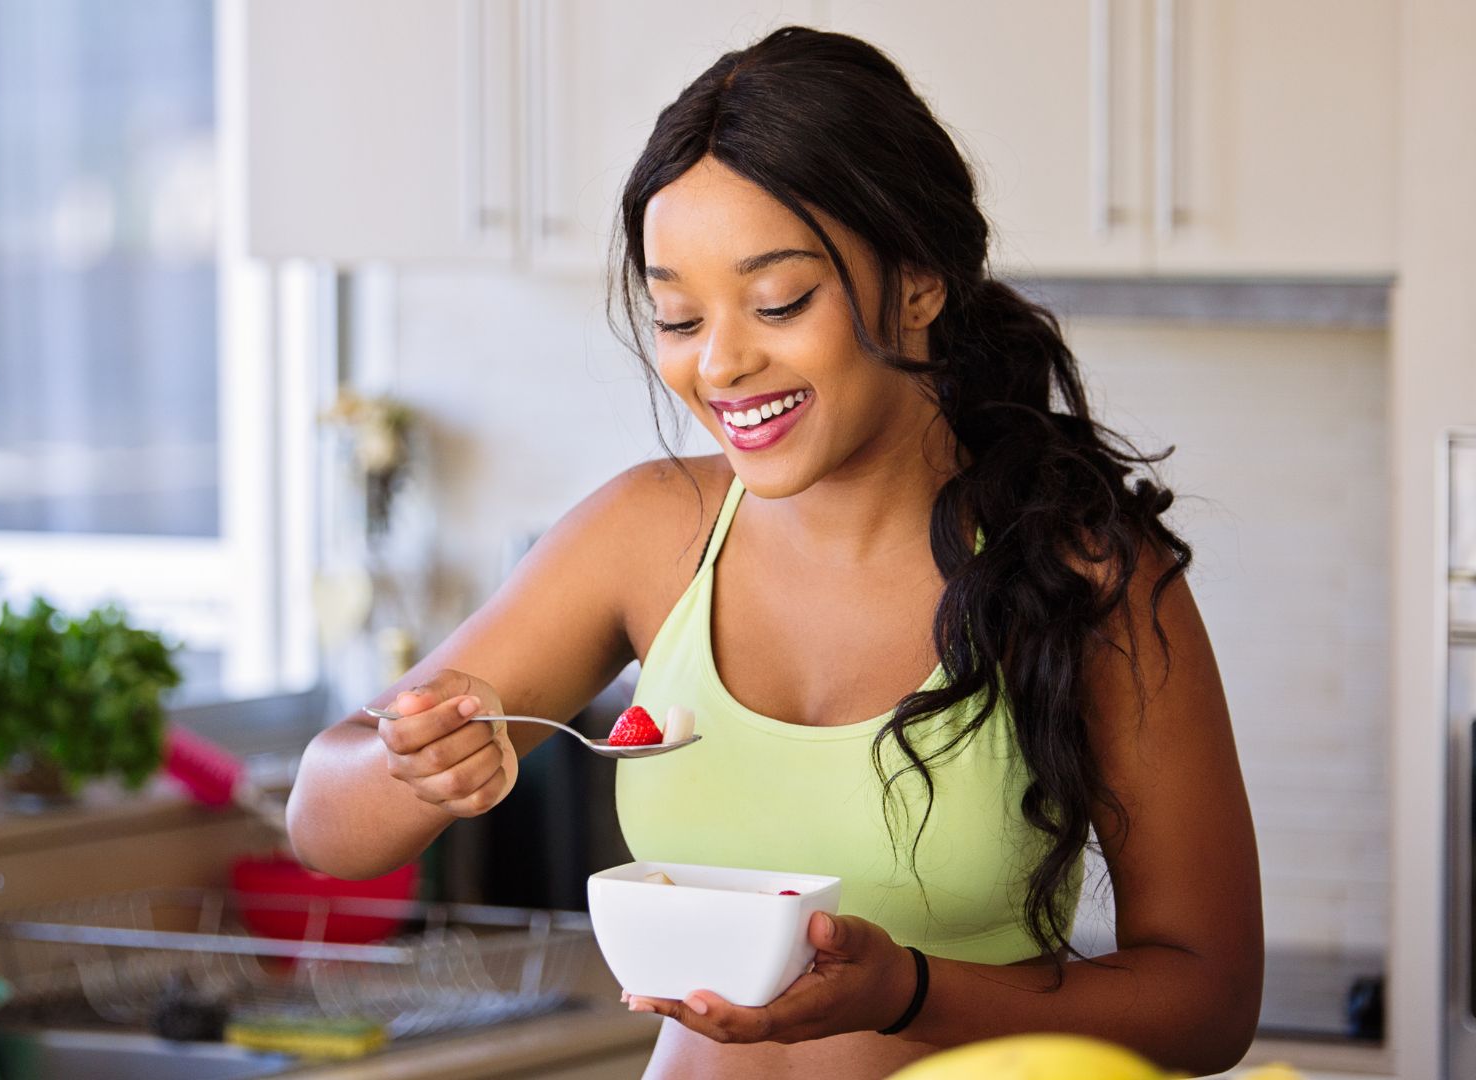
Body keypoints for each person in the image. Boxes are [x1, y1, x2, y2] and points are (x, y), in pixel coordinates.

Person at [286, 26, 1262, 1080]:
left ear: (920, 281)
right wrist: (410, 766)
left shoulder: (1087, 574)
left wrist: (911, 992)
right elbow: (325, 826)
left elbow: (1209, 1000)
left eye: (779, 302)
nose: (719, 363)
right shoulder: (648, 534)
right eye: (676, 314)